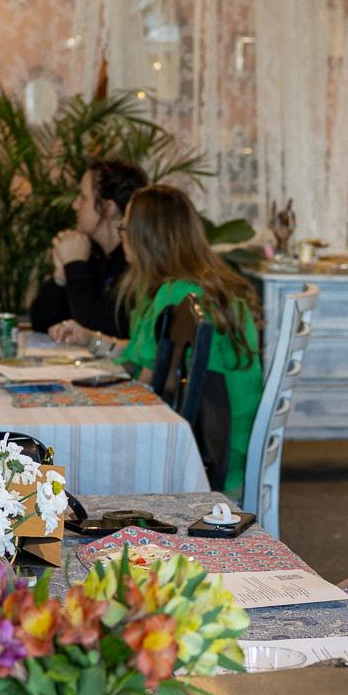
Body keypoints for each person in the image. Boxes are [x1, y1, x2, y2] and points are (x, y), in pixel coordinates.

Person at [113, 185, 265, 498]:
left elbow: (146, 382)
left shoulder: (175, 294)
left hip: (209, 454)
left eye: (124, 228)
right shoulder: (211, 283)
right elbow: (145, 362)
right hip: (235, 442)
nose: (121, 236)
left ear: (145, 238)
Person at [32, 160, 147, 342]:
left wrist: (75, 266)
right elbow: (40, 322)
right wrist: (60, 278)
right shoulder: (91, 252)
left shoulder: (135, 260)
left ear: (108, 208)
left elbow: (100, 328)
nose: (75, 205)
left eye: (83, 198)